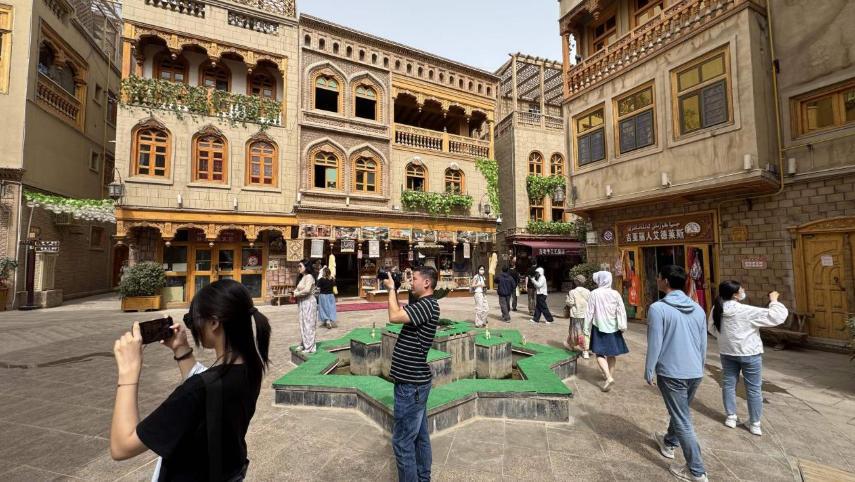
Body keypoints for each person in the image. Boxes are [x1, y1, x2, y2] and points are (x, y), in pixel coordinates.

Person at [110, 279, 271, 481]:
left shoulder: (196, 390)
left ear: (214, 322)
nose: (193, 326)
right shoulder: (251, 369)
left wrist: (128, 372)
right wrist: (181, 349)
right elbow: (210, 394)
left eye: (192, 320)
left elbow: (121, 446)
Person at [645, 265, 708, 482]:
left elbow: (655, 342)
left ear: (665, 281)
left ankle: (696, 470)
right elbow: (703, 343)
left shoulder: (658, 309)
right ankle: (669, 442)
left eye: (658, 277)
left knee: (682, 419)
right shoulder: (698, 309)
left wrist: (649, 368)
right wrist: (700, 366)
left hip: (672, 372)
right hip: (695, 371)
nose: (657, 279)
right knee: (680, 411)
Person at [709, 281, 788, 436]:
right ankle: (755, 423)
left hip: (727, 353)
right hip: (750, 353)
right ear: (734, 295)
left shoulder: (717, 308)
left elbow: (712, 328)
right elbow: (776, 316)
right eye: (741, 289)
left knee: (729, 385)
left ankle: (731, 417)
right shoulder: (746, 310)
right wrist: (774, 301)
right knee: (753, 389)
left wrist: (726, 339)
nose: (744, 290)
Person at [385, 266, 440, 482]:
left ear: (426, 283)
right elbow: (402, 312)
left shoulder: (427, 305)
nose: (411, 282)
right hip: (414, 382)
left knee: (402, 442)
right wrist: (397, 289)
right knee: (420, 437)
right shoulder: (424, 304)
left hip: (411, 385)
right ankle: (423, 478)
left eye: (414, 278)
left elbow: (394, 316)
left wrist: (391, 289)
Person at [584, 271, 628, 391]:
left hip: (599, 327)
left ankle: (608, 377)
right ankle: (609, 376)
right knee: (611, 354)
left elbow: (589, 312)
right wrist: (622, 326)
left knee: (599, 353)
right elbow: (621, 310)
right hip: (614, 327)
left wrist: (586, 328)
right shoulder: (615, 294)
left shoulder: (594, 293)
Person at [293, 259, 318, 353]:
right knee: (303, 323)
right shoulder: (302, 277)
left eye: (300, 266)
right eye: (298, 266)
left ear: (306, 267)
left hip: (309, 302)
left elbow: (307, 290)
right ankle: (304, 343)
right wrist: (295, 292)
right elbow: (297, 289)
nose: (299, 268)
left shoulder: (309, 277)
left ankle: (310, 346)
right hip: (302, 302)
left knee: (309, 324)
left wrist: (297, 293)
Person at [565, 274, 591, 358]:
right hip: (585, 315)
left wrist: (567, 300)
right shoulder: (588, 291)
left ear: (576, 282)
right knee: (585, 332)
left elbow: (571, 303)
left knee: (575, 332)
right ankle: (585, 351)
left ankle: (575, 347)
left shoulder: (572, 292)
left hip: (576, 315)